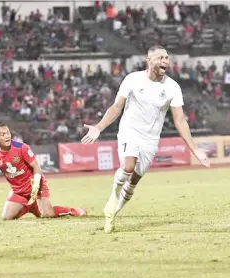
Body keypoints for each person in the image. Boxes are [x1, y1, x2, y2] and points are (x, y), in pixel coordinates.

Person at [81, 45, 210, 233]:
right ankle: (113, 196)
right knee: (128, 167)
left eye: (167, 57)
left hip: (150, 139)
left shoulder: (172, 87)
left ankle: (113, 212)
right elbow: (116, 107)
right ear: (149, 60)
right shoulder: (132, 79)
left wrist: (194, 149)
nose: (166, 61)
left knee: (134, 180)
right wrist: (99, 127)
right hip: (129, 131)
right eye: (161, 57)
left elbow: (180, 120)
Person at [0, 122, 87, 220]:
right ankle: (31, 207)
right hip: (18, 190)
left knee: (48, 213)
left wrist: (37, 183)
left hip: (35, 185)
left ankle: (73, 210)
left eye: (8, 132)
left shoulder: (21, 147)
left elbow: (36, 167)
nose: (7, 136)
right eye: (2, 134)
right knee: (7, 217)